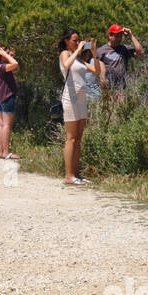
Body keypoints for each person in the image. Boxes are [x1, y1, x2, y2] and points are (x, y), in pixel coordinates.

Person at [58, 29, 98, 185]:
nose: (78, 43)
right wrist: (78, 50)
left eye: (79, 40)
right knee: (71, 138)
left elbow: (96, 70)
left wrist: (94, 53)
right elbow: (66, 65)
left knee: (79, 138)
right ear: (67, 41)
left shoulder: (80, 60)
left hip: (82, 99)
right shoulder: (65, 54)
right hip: (70, 98)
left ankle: (76, 174)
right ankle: (68, 175)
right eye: (75, 40)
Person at [95, 24, 143, 102]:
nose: (119, 38)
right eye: (116, 36)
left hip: (121, 87)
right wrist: (102, 78)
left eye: (120, 36)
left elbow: (140, 52)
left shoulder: (124, 48)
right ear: (110, 36)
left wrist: (131, 36)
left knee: (121, 108)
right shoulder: (101, 51)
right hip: (107, 88)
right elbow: (96, 68)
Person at [0, 46, 20, 160]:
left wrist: (9, 56)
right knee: (6, 125)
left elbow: (16, 67)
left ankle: (2, 152)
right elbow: (15, 63)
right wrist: (7, 55)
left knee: (2, 125)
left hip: (1, 97)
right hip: (7, 97)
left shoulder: (1, 66)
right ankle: (6, 152)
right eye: (6, 52)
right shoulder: (2, 67)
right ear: (1, 54)